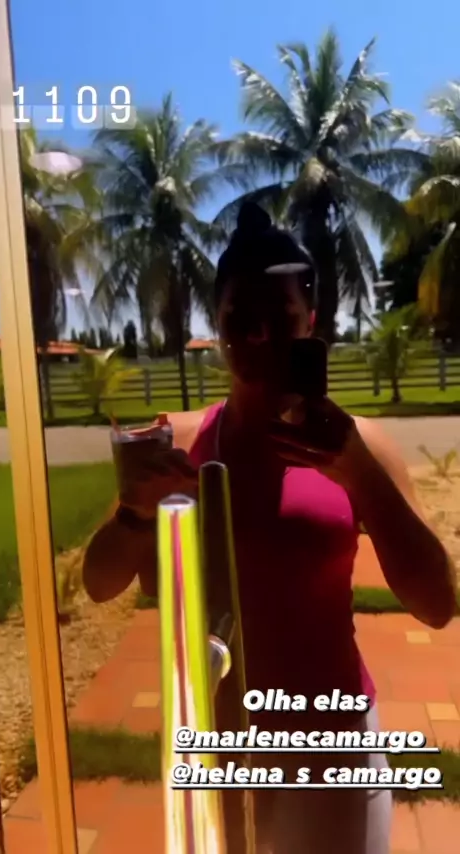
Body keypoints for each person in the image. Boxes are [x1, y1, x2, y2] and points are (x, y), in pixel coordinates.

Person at [83, 202, 456, 854]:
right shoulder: (183, 443)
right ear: (217, 324)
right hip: (218, 741)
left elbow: (438, 602)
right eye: (239, 318)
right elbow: (99, 581)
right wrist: (137, 513)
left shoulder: (363, 445)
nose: (259, 336)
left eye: (280, 317)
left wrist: (359, 475)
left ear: (310, 321)